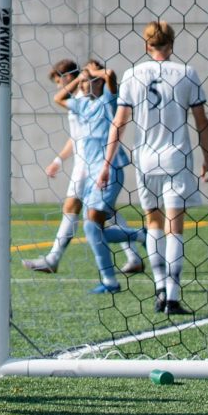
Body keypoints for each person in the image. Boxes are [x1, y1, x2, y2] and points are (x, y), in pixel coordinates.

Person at [99, 21, 208, 315]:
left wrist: (107, 164)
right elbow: (202, 122)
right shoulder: (187, 73)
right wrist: (207, 158)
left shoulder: (132, 74)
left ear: (146, 46)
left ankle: (159, 290)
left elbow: (119, 123)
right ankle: (172, 297)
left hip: (145, 160)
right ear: (172, 44)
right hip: (177, 158)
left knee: (153, 223)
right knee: (175, 226)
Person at [23, 59, 144, 276]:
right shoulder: (79, 99)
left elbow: (108, 83)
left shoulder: (93, 96)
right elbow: (77, 136)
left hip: (92, 164)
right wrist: (59, 160)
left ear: (68, 77)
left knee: (73, 209)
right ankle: (134, 254)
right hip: (85, 161)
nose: (59, 86)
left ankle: (54, 258)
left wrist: (87, 76)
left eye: (59, 80)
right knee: (104, 213)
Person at [53, 60, 145, 293]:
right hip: (93, 174)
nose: (84, 85)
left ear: (99, 82)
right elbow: (58, 98)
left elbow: (112, 74)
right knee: (93, 228)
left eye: (89, 81)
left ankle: (111, 280)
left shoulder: (108, 101)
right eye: (82, 82)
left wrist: (93, 73)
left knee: (93, 226)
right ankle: (141, 236)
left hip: (110, 171)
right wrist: (80, 78)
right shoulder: (83, 106)